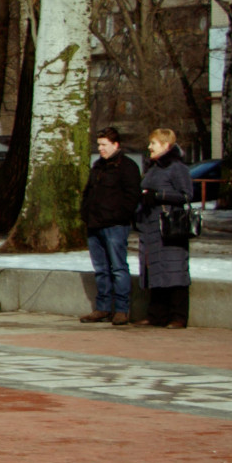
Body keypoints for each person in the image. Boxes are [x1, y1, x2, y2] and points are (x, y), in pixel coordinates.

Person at [79, 126, 142, 325]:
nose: (101, 149)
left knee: (118, 267)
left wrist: (119, 216)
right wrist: (86, 213)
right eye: (99, 145)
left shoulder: (127, 166)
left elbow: (132, 197)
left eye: (104, 145)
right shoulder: (98, 166)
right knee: (101, 269)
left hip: (115, 225)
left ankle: (122, 309)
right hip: (95, 224)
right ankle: (103, 307)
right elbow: (89, 192)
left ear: (116, 145)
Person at [134, 129, 193, 329]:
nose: (149, 147)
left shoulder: (177, 168)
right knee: (156, 271)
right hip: (151, 228)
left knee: (174, 271)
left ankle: (178, 316)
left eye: (153, 143)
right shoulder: (154, 168)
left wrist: (158, 196)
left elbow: (186, 195)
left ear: (166, 145)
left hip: (170, 228)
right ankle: (156, 315)